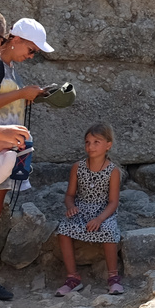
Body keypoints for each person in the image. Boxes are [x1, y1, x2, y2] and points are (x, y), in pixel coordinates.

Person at [0, 17, 52, 301]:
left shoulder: (10, 68)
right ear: (15, 39)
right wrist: (22, 93)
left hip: (8, 151)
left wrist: (28, 96)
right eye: (31, 50)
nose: (30, 56)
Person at [55, 122, 124, 296]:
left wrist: (100, 219)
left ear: (108, 145)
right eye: (87, 142)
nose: (90, 146)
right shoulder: (78, 167)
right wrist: (71, 207)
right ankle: (73, 278)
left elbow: (113, 202)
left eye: (96, 142)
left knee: (108, 230)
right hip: (81, 209)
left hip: (103, 212)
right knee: (64, 229)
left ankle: (113, 277)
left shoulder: (113, 171)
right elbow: (70, 195)